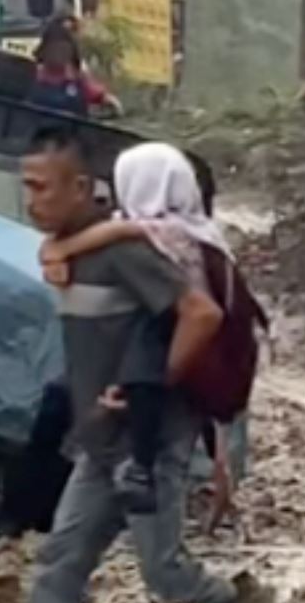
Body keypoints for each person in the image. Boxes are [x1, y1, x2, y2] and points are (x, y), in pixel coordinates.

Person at [0, 128, 296, 603]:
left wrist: (148, 384)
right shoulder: (99, 246)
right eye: (25, 186)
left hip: (147, 441)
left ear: (85, 188)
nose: (30, 200)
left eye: (40, 186)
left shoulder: (133, 252)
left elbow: (200, 315)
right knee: (60, 561)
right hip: (102, 444)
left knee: (167, 572)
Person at [38, 143, 241, 515]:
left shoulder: (162, 231)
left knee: (163, 564)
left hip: (167, 347)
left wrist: (61, 249)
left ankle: (142, 472)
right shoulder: (204, 233)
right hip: (202, 366)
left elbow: (117, 232)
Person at [28, 20, 120, 119]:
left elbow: (101, 97)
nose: (59, 55)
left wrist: (110, 102)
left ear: (71, 53)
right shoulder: (31, 78)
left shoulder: (78, 80)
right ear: (43, 51)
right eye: (55, 49)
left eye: (64, 50)